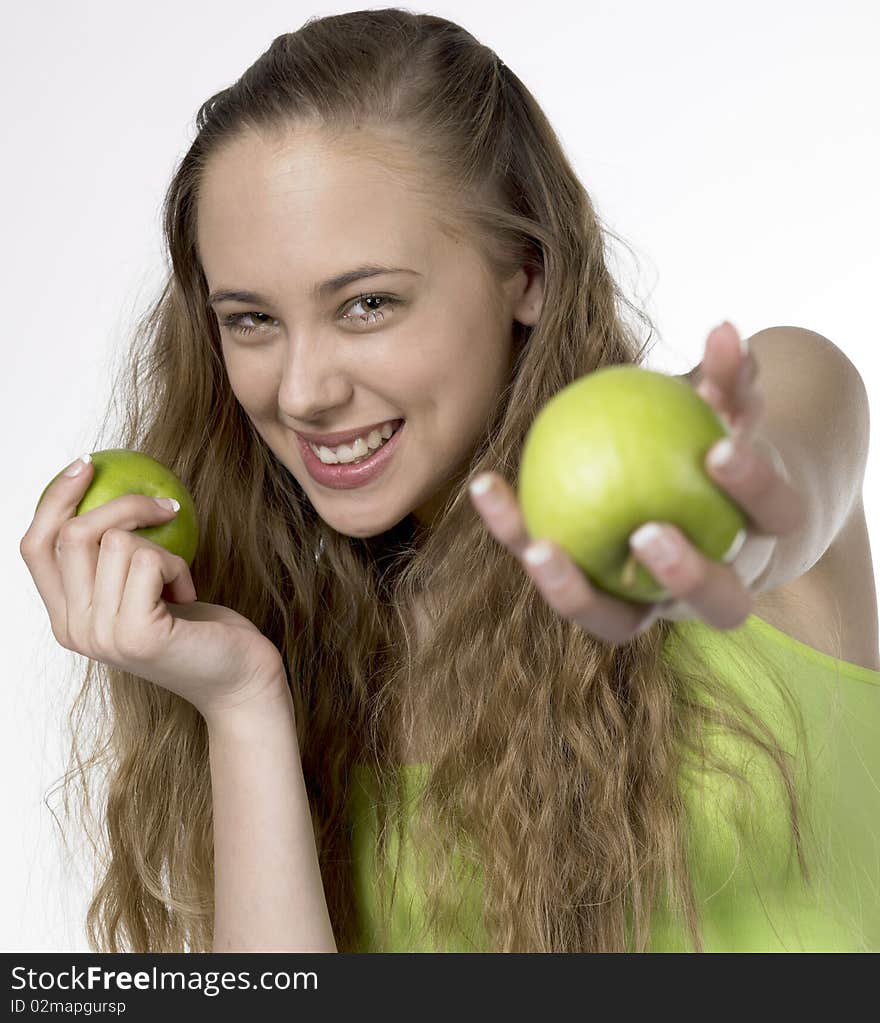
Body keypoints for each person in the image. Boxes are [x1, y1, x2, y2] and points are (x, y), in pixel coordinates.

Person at [19, 9, 878, 953]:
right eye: (252, 320)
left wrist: (706, 528)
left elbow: (779, 477)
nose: (302, 392)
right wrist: (241, 703)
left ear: (527, 272)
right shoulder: (316, 650)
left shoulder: (773, 404)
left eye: (368, 303)